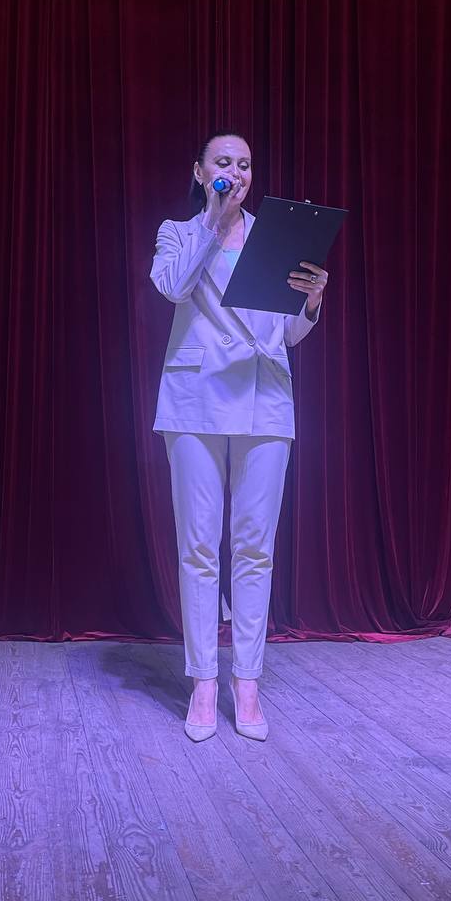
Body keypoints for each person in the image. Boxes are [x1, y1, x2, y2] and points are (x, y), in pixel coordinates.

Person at [149, 131, 328, 741]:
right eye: (224, 162)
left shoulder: (274, 237)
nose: (237, 171)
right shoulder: (177, 233)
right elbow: (173, 287)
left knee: (255, 548)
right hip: (195, 401)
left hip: (265, 399)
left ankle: (246, 682)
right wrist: (212, 222)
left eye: (245, 164)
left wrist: (310, 304)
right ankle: (203, 681)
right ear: (201, 172)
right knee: (199, 548)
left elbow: (285, 335)